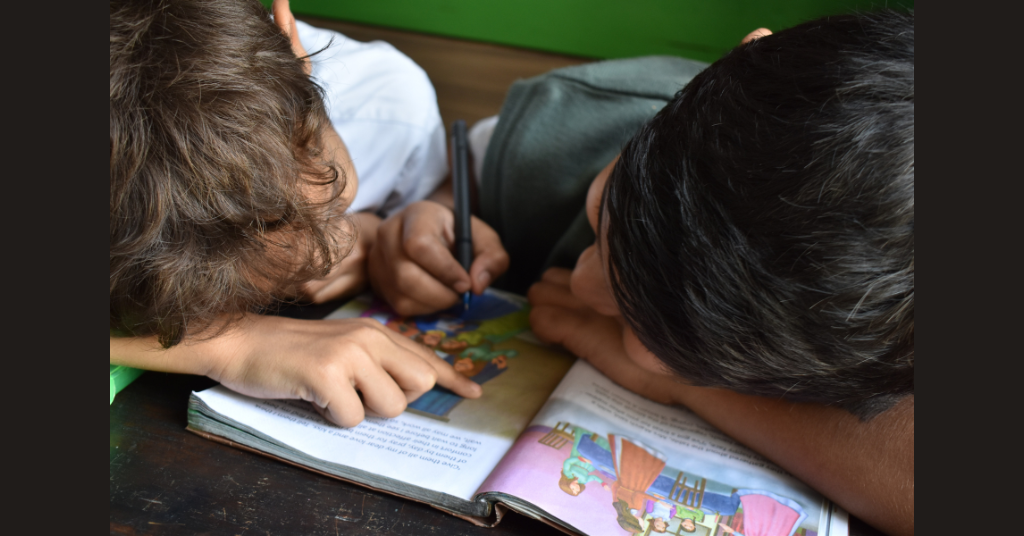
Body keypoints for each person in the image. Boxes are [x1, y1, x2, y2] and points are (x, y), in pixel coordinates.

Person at [371, 11, 913, 536]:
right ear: (743, 55)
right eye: (601, 206)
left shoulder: (886, 313)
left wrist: (682, 388)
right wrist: (435, 210)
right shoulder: (570, 119)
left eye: (644, 330)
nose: (581, 285)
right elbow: (466, 167)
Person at [109, 0, 482, 428]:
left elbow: (444, 188)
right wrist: (229, 344)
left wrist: (422, 216)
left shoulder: (392, 111)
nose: (334, 251)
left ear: (293, 46)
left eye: (336, 198)